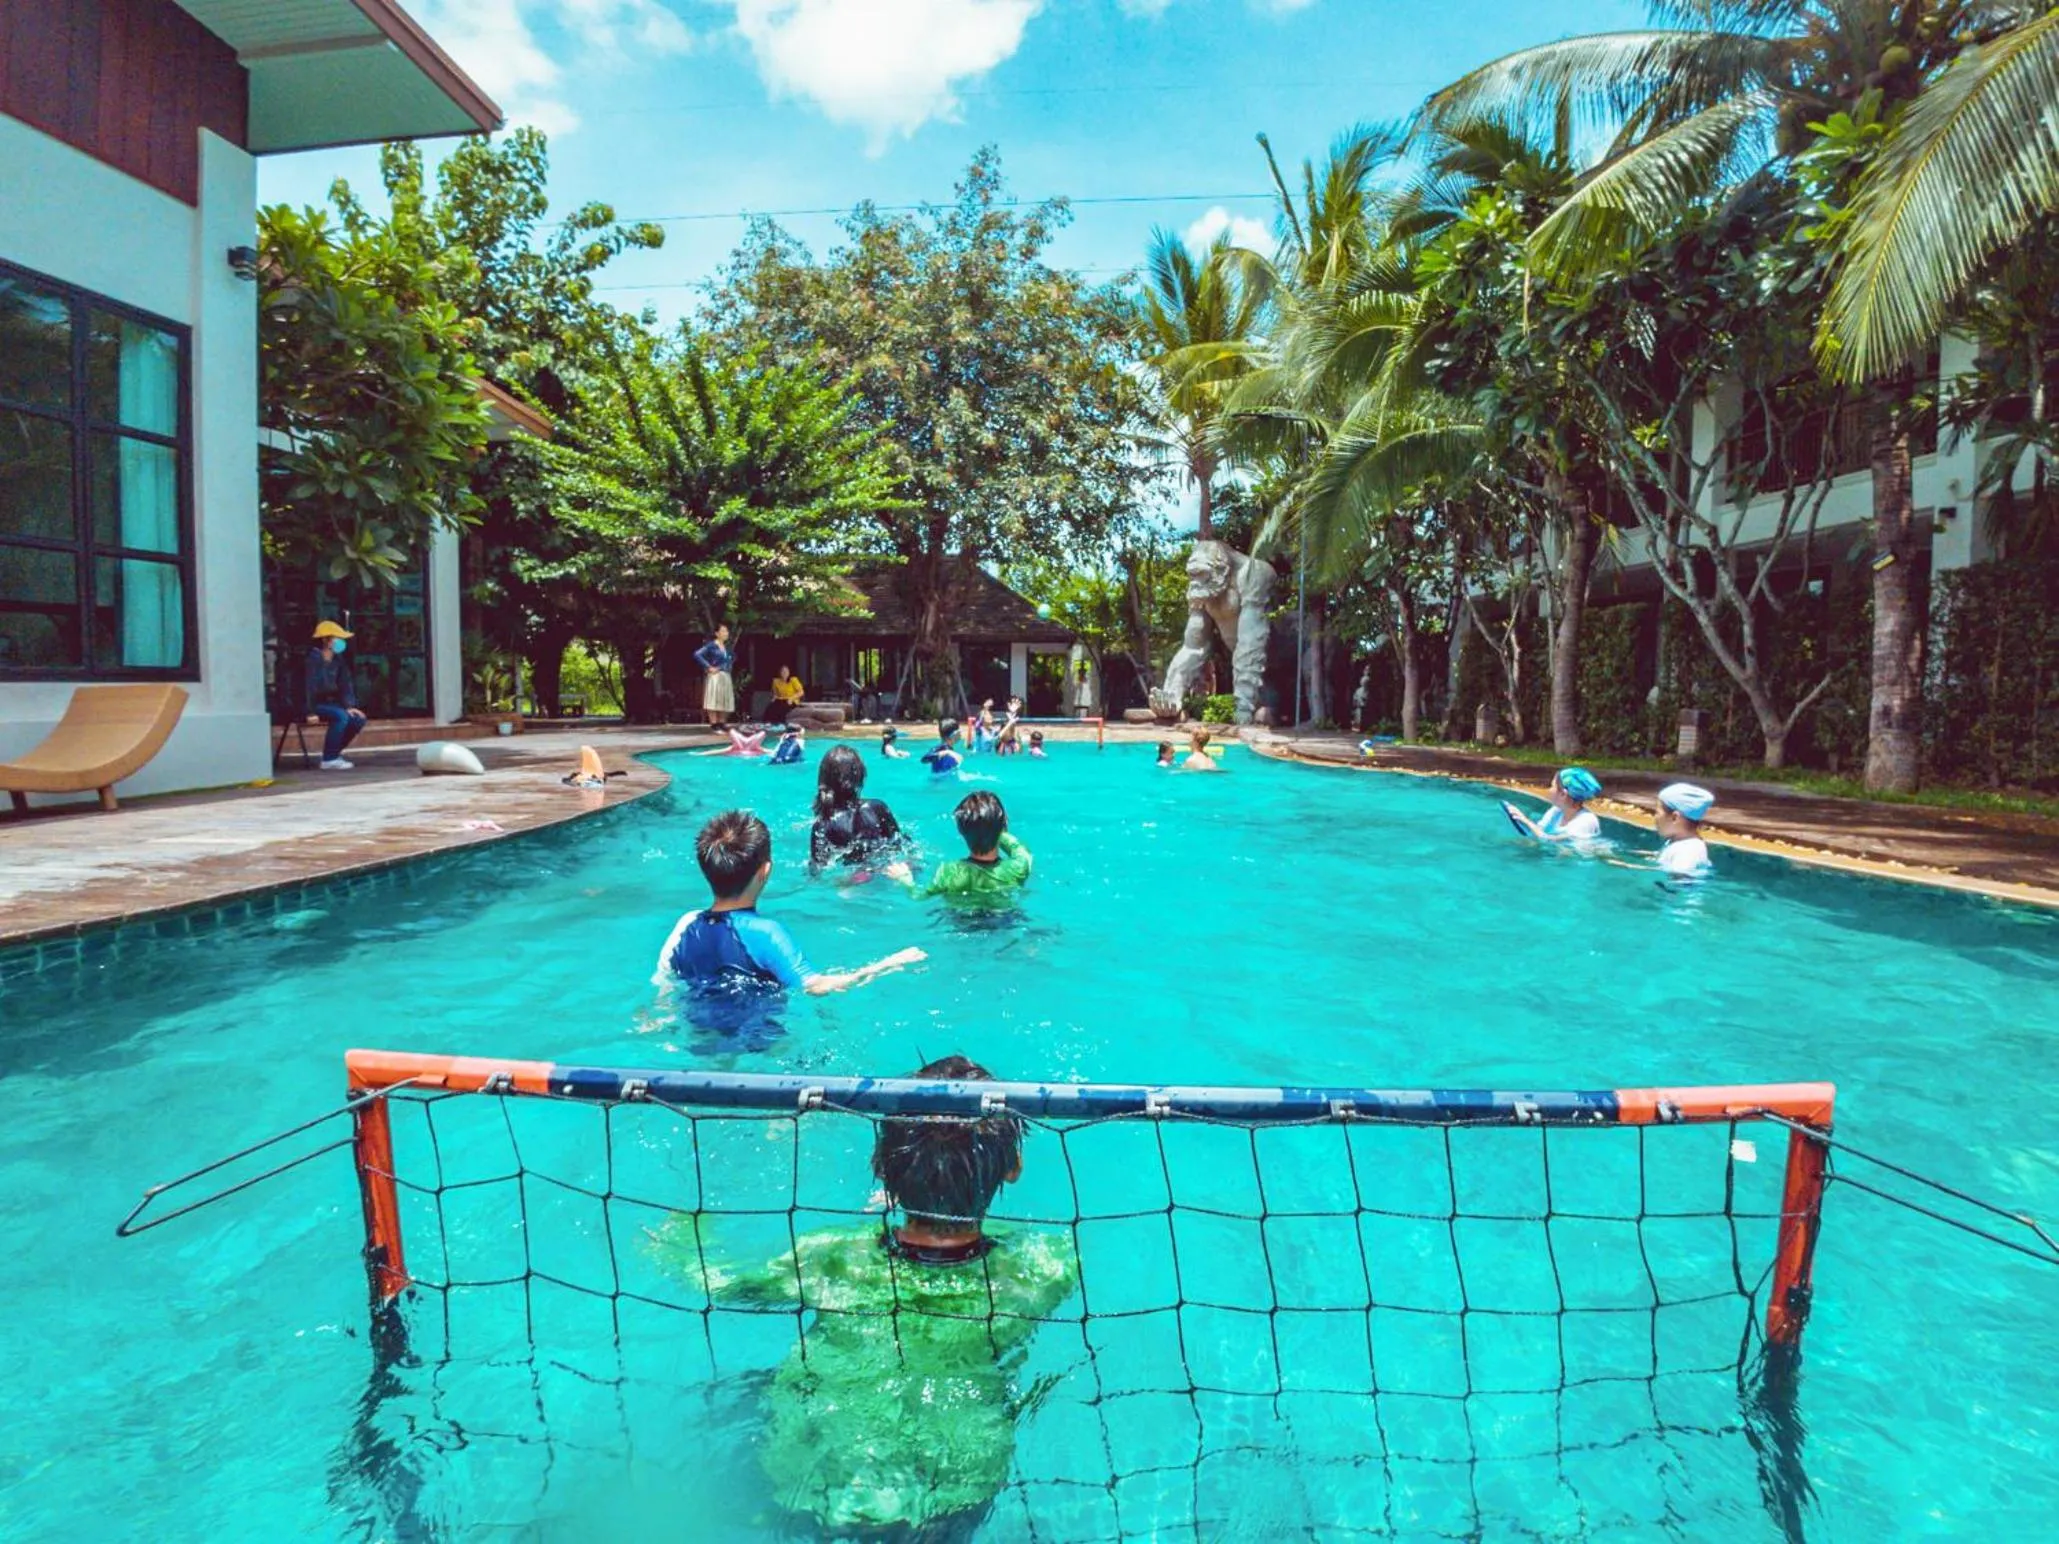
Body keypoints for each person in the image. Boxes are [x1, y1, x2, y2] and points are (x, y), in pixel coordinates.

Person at [647, 1054, 1078, 1537]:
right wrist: (937, 1199)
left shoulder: (829, 1257)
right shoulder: (1045, 1268)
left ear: (878, 1166)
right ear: (1014, 1168)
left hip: (812, 1473)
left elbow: (714, 1282)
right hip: (948, 1489)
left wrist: (682, 1228)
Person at [655, 810, 924, 996]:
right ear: (765, 871)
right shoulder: (767, 933)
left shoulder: (686, 925)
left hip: (699, 1034)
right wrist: (888, 964)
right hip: (759, 1042)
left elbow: (665, 985)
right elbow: (816, 986)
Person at [890, 791, 1032, 903]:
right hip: (1005, 922)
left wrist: (906, 880)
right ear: (1003, 826)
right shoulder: (1018, 868)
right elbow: (1020, 849)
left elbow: (918, 896)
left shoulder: (949, 872)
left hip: (961, 924)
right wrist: (994, 828)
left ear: (961, 831)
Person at [809, 745, 903, 871]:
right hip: (884, 870)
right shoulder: (877, 807)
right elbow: (900, 845)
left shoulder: (822, 824)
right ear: (860, 777)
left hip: (850, 878)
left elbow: (817, 870)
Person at [306, 621, 367, 770]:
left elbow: (345, 684)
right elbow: (308, 687)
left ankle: (332, 753)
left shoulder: (338, 661)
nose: (341, 642)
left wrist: (349, 706)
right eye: (336, 638)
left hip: (330, 703)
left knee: (357, 719)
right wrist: (310, 711)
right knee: (340, 716)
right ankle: (329, 758)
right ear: (326, 640)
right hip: (312, 704)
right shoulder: (311, 660)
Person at [1656, 783, 1716, 876]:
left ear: (1675, 817)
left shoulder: (1688, 852)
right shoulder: (1678, 842)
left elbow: (1680, 883)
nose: (1655, 817)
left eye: (1657, 813)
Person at [694, 624, 735, 729]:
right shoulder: (712, 645)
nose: (726, 633)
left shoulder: (727, 646)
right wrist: (709, 666)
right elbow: (697, 654)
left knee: (724, 699)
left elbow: (732, 658)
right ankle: (714, 723)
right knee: (714, 699)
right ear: (717, 633)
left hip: (725, 674)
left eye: (727, 631)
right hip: (715, 675)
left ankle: (721, 723)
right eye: (723, 631)